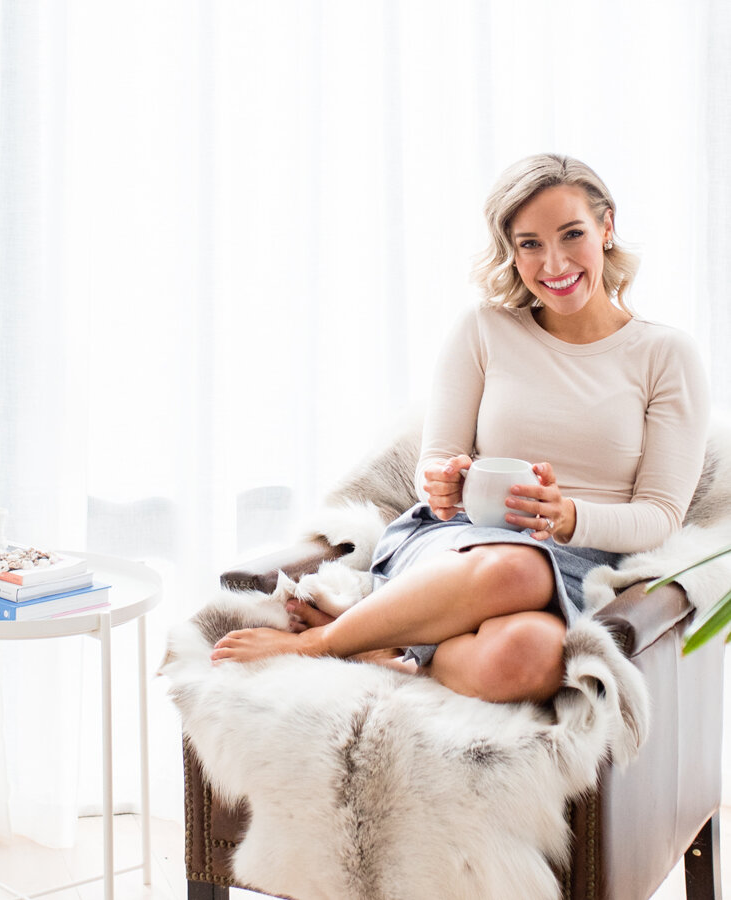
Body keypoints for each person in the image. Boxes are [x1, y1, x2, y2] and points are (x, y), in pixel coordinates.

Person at [211, 153, 709, 704]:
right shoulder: (484, 329)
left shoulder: (666, 354)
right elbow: (436, 461)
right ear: (511, 250)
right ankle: (319, 644)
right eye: (530, 244)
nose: (554, 262)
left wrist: (566, 518)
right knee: (517, 567)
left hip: (581, 561)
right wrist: (444, 484)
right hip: (461, 545)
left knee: (529, 656)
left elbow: (662, 516)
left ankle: (388, 649)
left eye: (572, 234)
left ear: (607, 227)